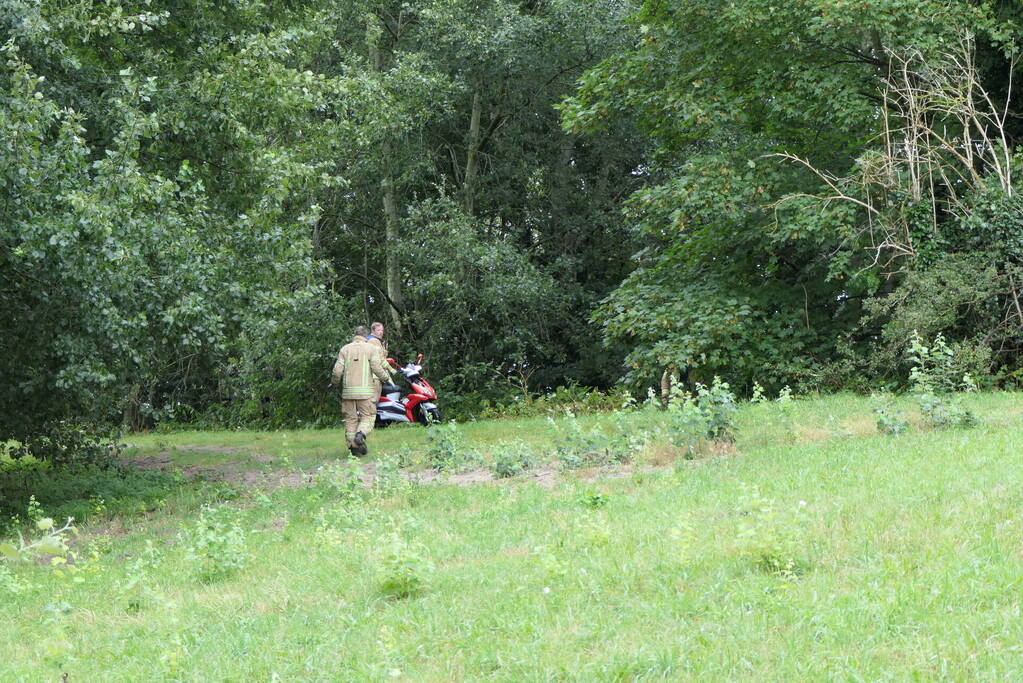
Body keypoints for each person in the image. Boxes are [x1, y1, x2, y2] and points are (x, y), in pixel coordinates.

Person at [330, 325, 391, 456]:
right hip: (366, 393)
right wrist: (386, 378)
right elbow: (376, 367)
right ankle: (361, 434)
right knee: (367, 417)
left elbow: (337, 371)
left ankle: (353, 447)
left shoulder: (344, 349)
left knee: (350, 419)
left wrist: (334, 383)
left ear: (354, 335)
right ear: (366, 335)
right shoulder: (371, 348)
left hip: (348, 393)